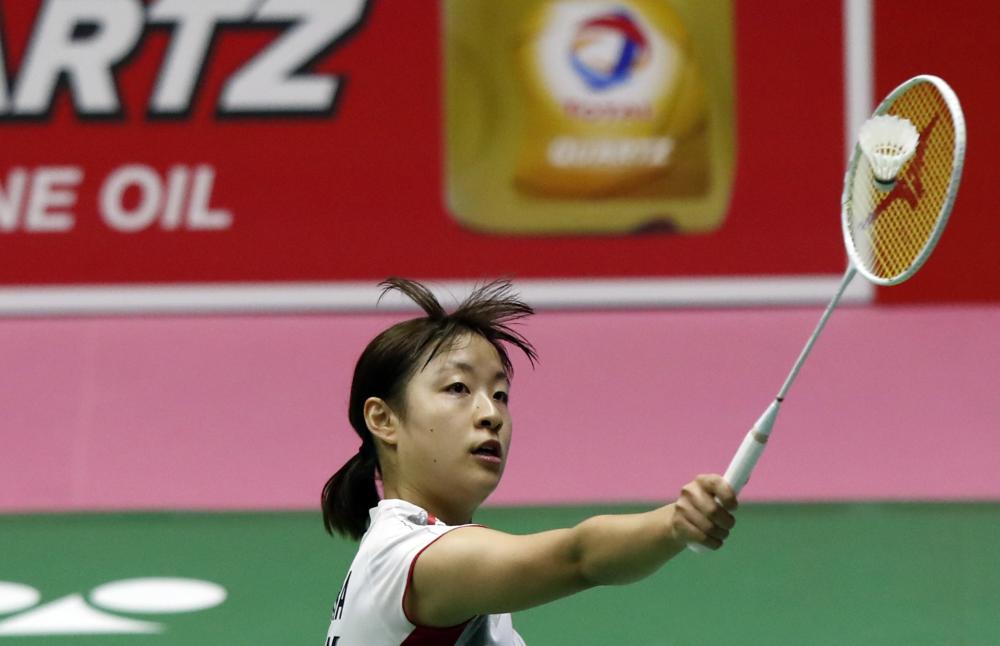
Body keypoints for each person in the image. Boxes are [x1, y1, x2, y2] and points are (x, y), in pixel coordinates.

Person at [322, 278, 737, 645]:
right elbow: (578, 558)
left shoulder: (410, 556)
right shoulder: (412, 559)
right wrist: (674, 524)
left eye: (500, 394)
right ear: (383, 419)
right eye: (458, 388)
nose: (491, 414)